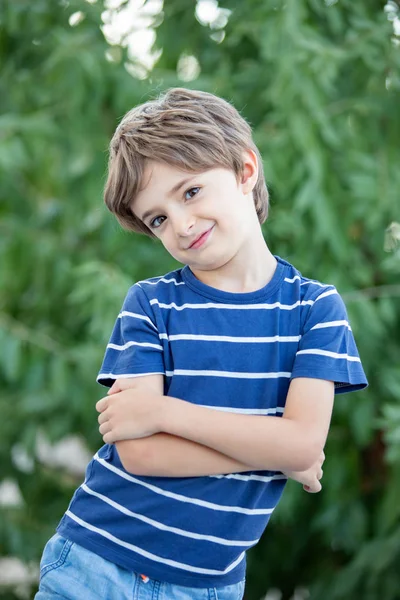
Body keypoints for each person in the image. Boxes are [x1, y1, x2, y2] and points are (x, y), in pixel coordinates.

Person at [35, 88, 368, 600]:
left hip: (206, 587)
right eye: (158, 219)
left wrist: (164, 412)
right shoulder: (149, 304)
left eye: (190, 192)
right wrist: (276, 452)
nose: (182, 225)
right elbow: (140, 453)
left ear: (244, 170)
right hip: (95, 564)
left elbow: (304, 443)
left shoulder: (314, 311)